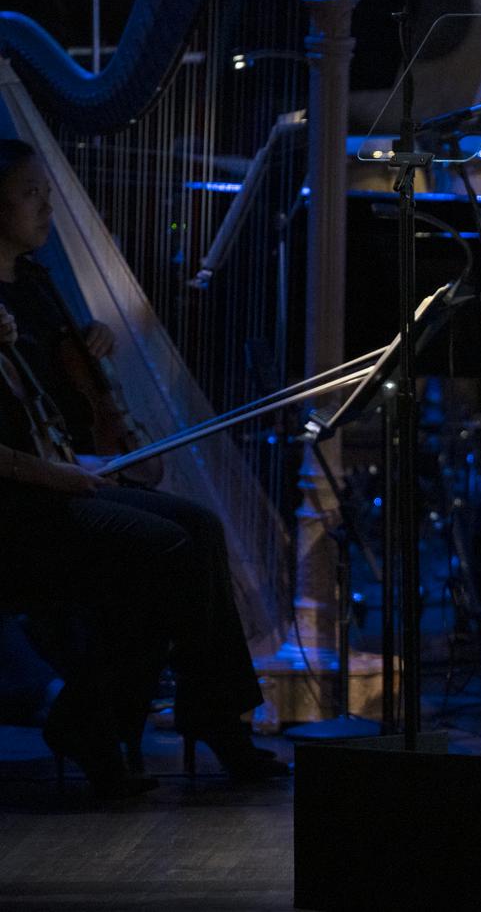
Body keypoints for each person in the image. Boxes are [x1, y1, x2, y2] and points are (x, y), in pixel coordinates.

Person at [0, 138, 288, 796]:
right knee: (163, 549)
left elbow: (47, 405)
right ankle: (93, 718)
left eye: (47, 189)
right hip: (15, 505)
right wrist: (63, 474)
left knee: (200, 526)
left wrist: (86, 348)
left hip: (55, 481)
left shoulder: (37, 283)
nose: (46, 203)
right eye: (28, 192)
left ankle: (212, 714)